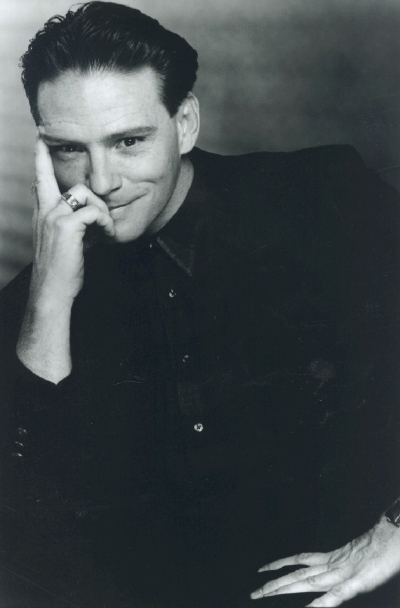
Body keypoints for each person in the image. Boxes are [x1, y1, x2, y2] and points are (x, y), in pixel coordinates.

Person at [0, 2, 399, 606]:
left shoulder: (322, 198)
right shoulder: (32, 304)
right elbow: (28, 542)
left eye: (128, 141)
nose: (101, 181)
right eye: (68, 149)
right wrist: (49, 302)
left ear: (184, 123)